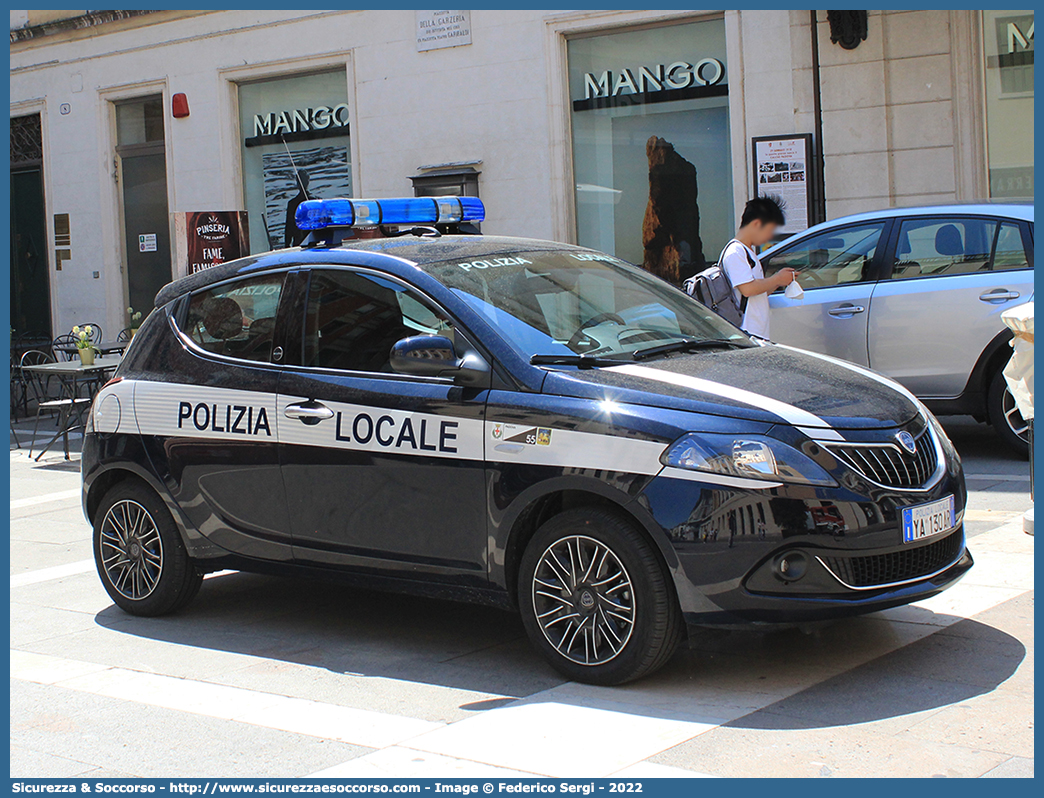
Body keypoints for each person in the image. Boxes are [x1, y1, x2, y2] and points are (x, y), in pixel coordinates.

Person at [719, 196, 796, 340]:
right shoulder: (735, 252)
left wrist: (779, 281)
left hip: (756, 332)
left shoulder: (748, 252)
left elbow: (757, 292)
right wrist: (777, 279)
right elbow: (748, 289)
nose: (770, 236)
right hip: (746, 332)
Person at [283, 171, 310, 249]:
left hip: (305, 244)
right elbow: (289, 226)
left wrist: (287, 245)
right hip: (302, 244)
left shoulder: (292, 203)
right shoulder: (316, 201)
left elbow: (288, 227)